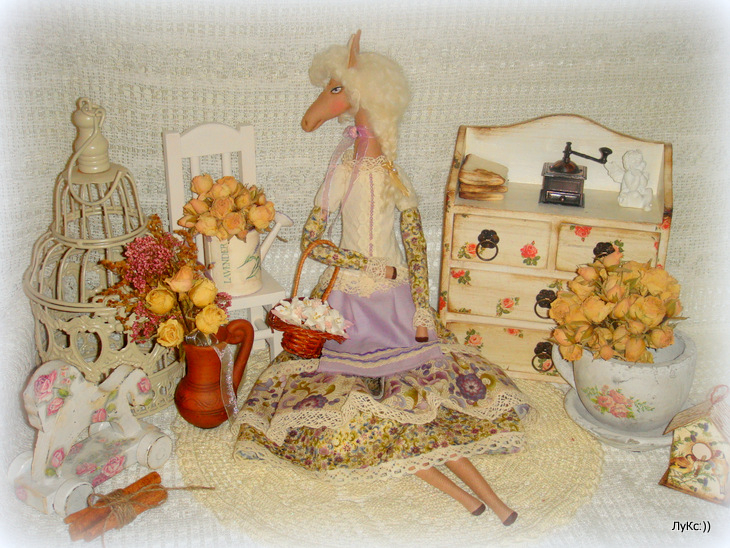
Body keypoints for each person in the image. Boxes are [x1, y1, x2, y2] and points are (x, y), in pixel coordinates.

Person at [235, 31, 529, 525]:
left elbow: (416, 246)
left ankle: (490, 500)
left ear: (360, 94)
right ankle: (470, 500)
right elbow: (312, 242)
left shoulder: (394, 175)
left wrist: (421, 305)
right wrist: (362, 265)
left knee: (418, 397)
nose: (330, 99)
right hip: (347, 307)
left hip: (395, 305)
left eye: (337, 89)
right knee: (370, 407)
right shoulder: (340, 172)